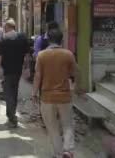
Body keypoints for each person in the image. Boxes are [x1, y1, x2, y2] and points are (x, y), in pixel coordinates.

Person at [32, 29, 82, 158]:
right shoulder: (68, 54)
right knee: (68, 124)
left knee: (52, 127)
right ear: (62, 40)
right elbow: (76, 72)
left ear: (48, 40)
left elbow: (38, 76)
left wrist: (34, 93)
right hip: (64, 96)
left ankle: (59, 154)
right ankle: (68, 150)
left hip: (47, 97)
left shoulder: (42, 55)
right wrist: (77, 89)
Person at [0, 19, 30, 128]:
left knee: (8, 93)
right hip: (18, 70)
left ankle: (11, 116)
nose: (4, 29)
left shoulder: (3, 39)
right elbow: (27, 55)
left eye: (5, 27)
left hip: (7, 71)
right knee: (14, 91)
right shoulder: (22, 37)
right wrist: (26, 67)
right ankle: (12, 114)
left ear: (7, 27)